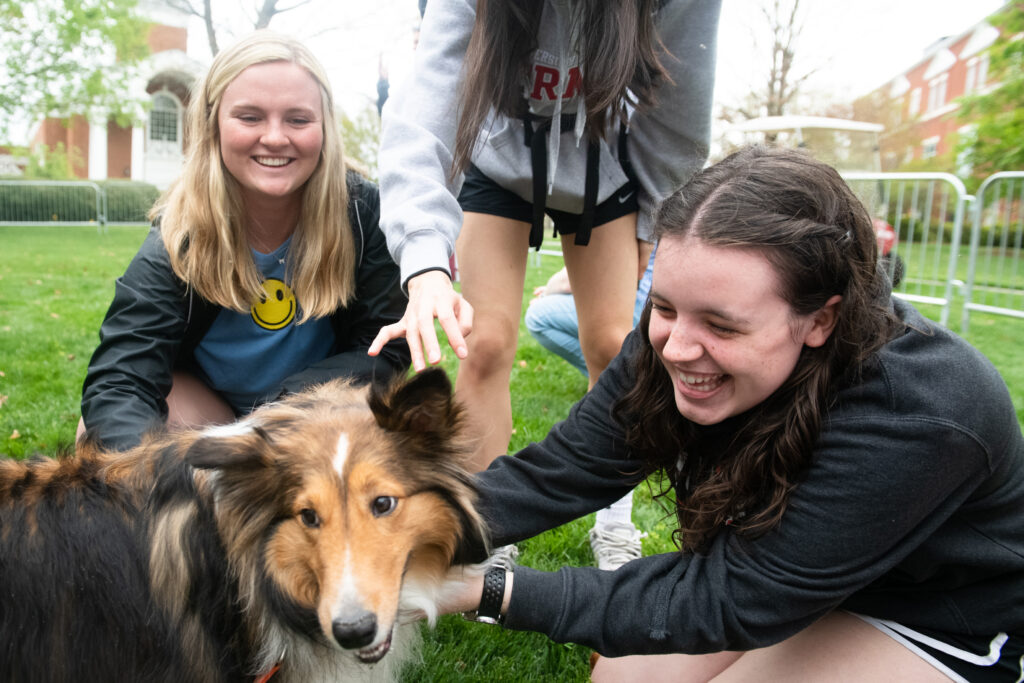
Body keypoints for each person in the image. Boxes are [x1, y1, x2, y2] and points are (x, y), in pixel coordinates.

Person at [448, 146, 1024, 682]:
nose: (674, 348)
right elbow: (563, 471)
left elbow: (728, 599)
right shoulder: (669, 337)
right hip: (789, 575)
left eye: (722, 326)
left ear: (821, 320)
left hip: (936, 614)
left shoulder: (919, 413)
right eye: (665, 308)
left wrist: (485, 590)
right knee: (621, 676)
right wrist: (400, 530)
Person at [370, 0, 720, 566]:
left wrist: (661, 222)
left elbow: (680, 110)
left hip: (603, 161)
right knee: (483, 343)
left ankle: (614, 522)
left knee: (614, 345)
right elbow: (425, 109)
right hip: (499, 155)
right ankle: (486, 528)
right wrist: (425, 261)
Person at [79, 31, 410, 451]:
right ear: (213, 124)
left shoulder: (364, 216)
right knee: (97, 434)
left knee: (361, 408)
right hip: (211, 412)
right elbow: (121, 377)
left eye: (298, 119)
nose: (274, 137)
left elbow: (384, 351)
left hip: (318, 412)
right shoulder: (181, 234)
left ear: (325, 126)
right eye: (250, 117)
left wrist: (280, 409)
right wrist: (149, 475)